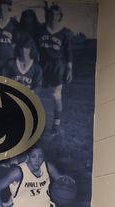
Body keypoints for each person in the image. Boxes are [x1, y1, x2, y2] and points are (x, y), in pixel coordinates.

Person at [38, 3, 73, 134]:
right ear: (48, 15)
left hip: (57, 66)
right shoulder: (41, 29)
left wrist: (69, 69)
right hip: (41, 65)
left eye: (56, 14)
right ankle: (36, 123)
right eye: (51, 14)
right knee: (36, 94)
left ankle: (56, 125)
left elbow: (69, 52)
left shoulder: (64, 33)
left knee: (56, 95)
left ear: (60, 16)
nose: (53, 16)